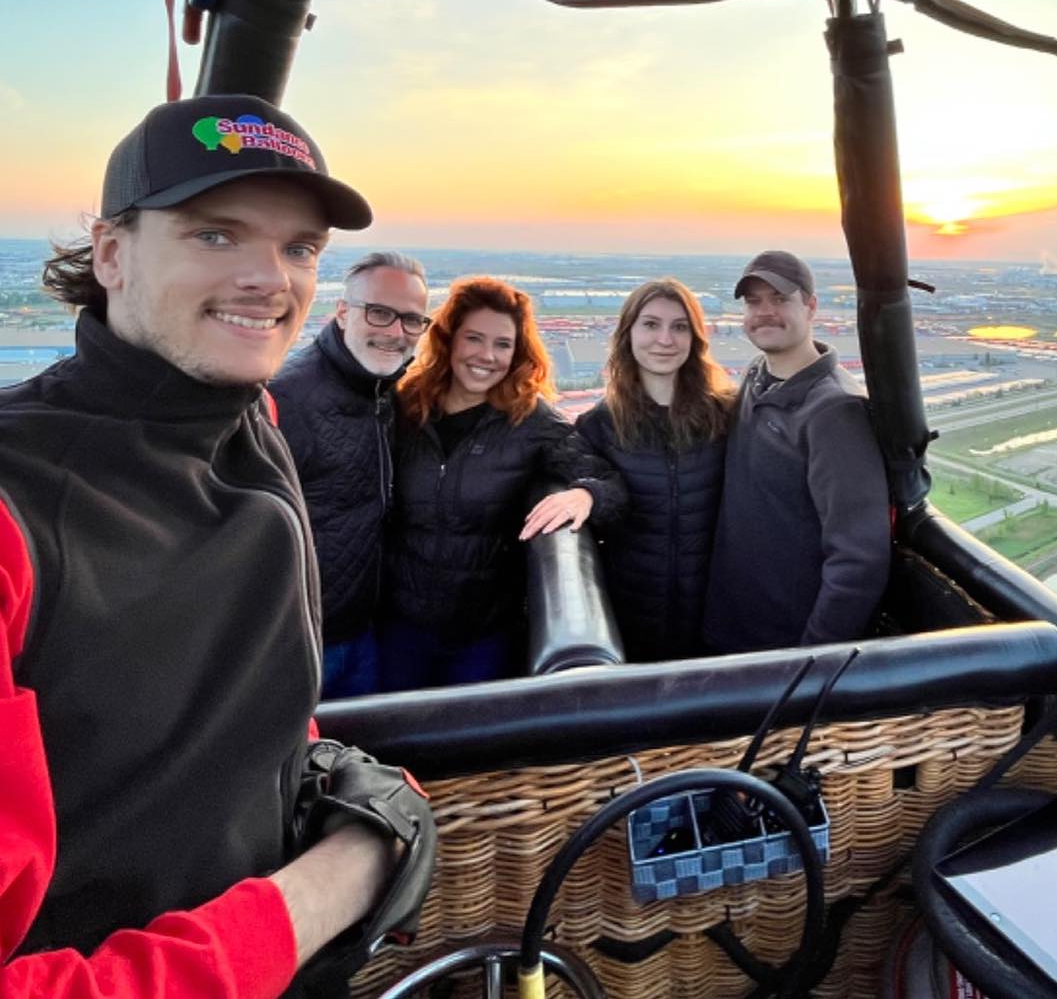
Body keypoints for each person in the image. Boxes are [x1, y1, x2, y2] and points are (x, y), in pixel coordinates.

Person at [0, 95, 432, 995]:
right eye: (215, 236)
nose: (270, 280)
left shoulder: (250, 423)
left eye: (300, 249)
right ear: (111, 252)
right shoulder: (18, 509)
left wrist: (302, 761)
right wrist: (327, 887)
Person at [381, 275, 627, 690]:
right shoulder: (405, 407)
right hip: (399, 628)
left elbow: (610, 484)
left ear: (517, 354)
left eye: (502, 344)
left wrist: (585, 494)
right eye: (474, 339)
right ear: (449, 340)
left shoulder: (530, 421)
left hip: (483, 635)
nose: (486, 356)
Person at [702, 250, 891, 654]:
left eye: (780, 298)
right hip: (729, 626)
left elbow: (859, 558)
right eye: (754, 301)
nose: (765, 312)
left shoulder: (834, 412)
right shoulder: (758, 375)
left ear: (811, 307)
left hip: (780, 650)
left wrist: (812, 660)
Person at [272, 250, 432, 699]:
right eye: (379, 313)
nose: (396, 333)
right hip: (302, 646)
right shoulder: (287, 399)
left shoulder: (387, 390)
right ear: (343, 313)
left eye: (412, 320)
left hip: (366, 632)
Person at [577, 279, 733, 661]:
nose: (665, 339)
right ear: (627, 333)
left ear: (695, 338)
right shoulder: (598, 426)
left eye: (679, 327)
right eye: (650, 324)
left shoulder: (726, 417)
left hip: (716, 622)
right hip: (630, 624)